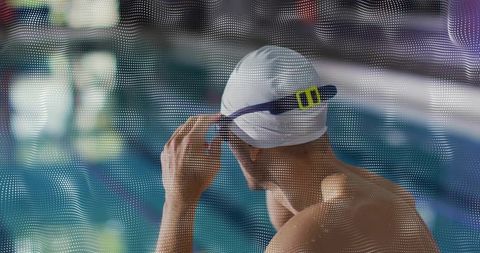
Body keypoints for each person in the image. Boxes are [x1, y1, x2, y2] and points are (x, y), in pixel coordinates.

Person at [156, 46, 440, 252]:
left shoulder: (302, 241)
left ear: (252, 147)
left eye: (226, 135)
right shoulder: (389, 196)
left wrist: (179, 202)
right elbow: (288, 199)